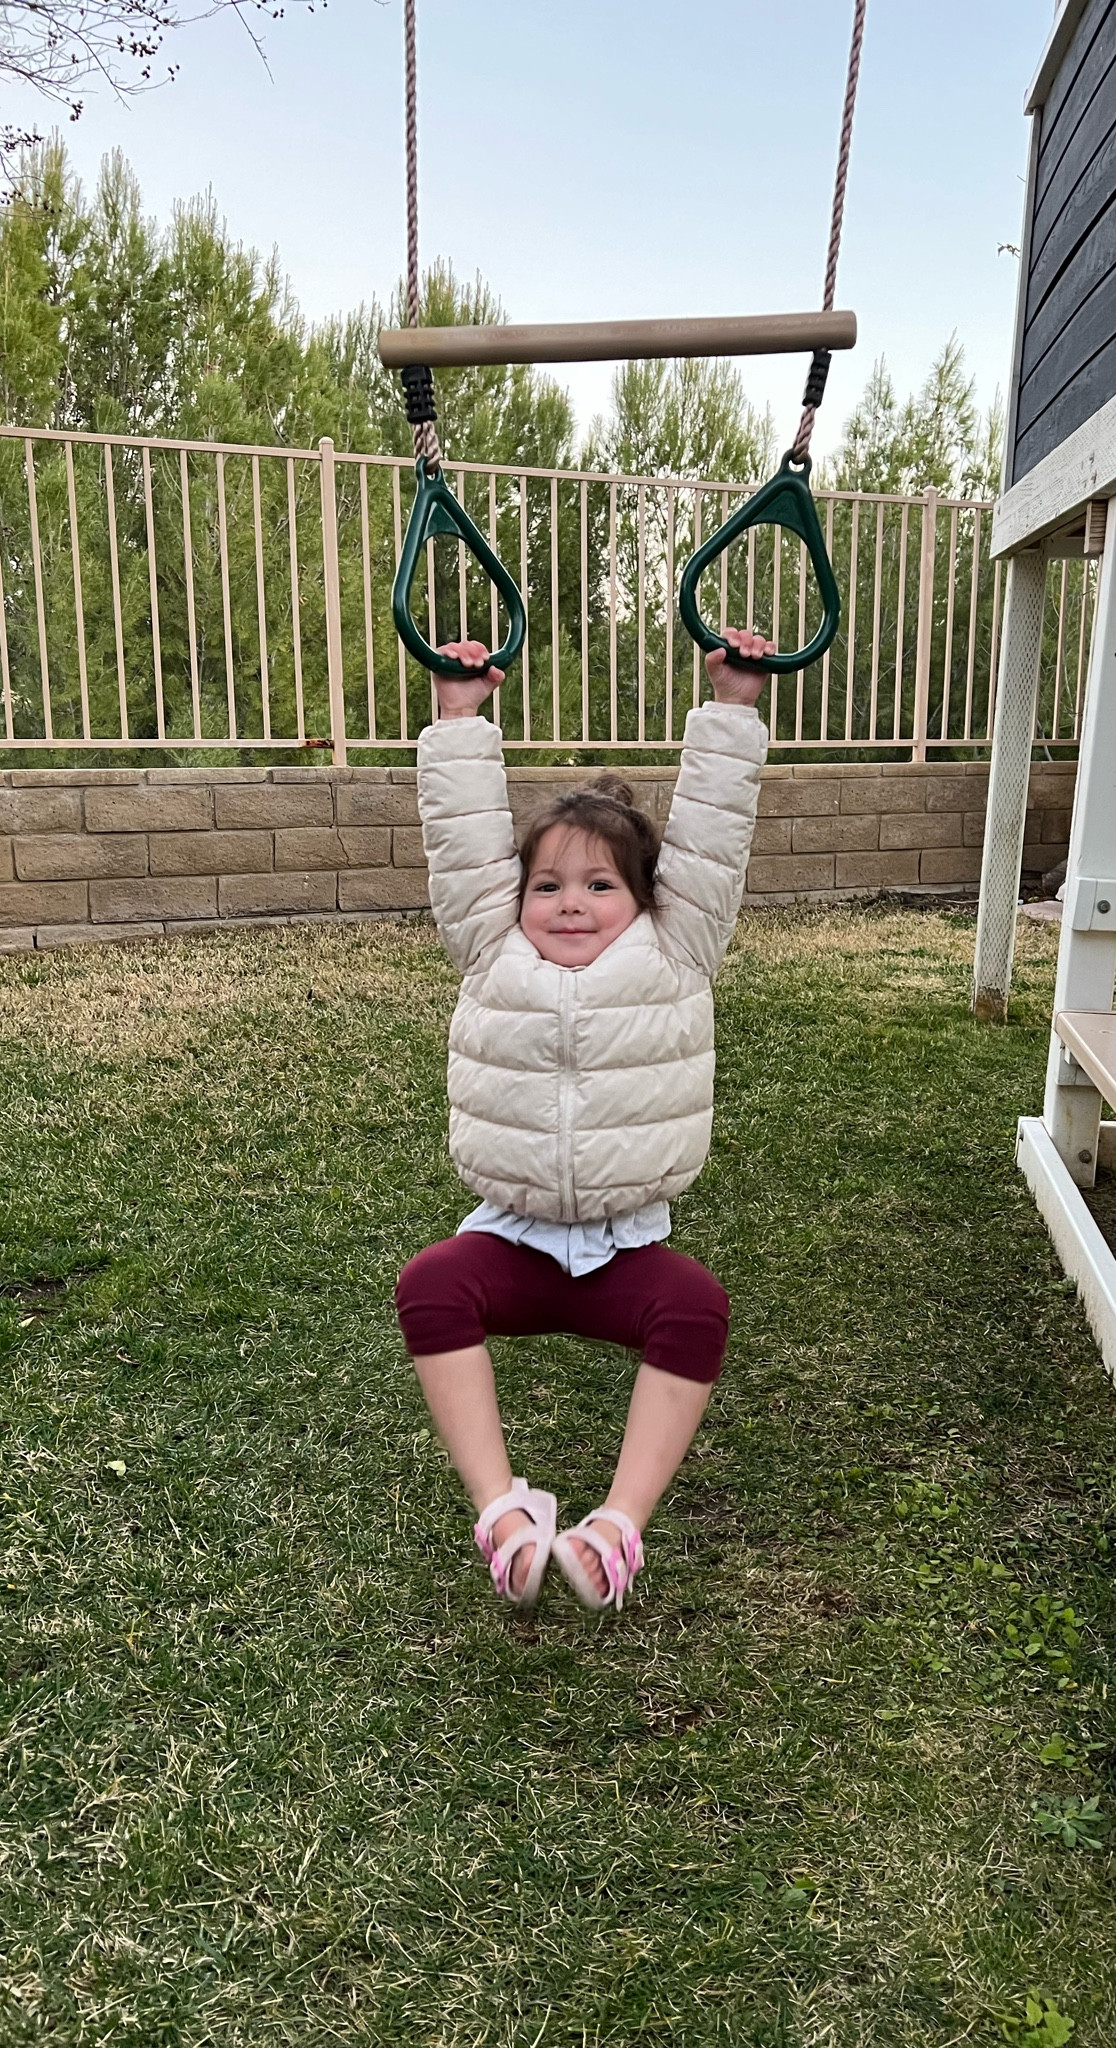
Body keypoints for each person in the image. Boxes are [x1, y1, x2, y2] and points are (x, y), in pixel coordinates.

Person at [395, 627, 771, 1610]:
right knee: (431, 1285)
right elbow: (464, 840)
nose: (570, 903)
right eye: (549, 885)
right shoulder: (488, 946)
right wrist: (458, 716)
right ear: (515, 898)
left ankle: (615, 1528)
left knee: (697, 1307)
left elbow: (714, 834)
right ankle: (503, 1516)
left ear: (644, 897)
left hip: (622, 1252)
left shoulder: (680, 948)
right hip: (513, 1240)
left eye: (600, 885)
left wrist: (734, 704)